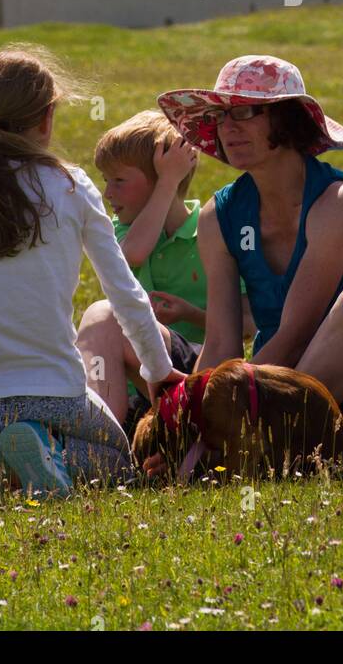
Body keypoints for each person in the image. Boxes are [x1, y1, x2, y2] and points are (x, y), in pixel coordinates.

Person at [0, 43, 179, 505]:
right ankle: (48, 453)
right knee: (118, 460)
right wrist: (159, 371)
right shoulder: (72, 185)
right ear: (46, 119)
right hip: (54, 393)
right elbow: (124, 294)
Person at [157, 55, 343, 451]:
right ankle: (263, 445)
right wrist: (192, 413)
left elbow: (296, 334)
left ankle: (261, 444)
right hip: (277, 389)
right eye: (221, 115)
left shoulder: (336, 202)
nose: (228, 127)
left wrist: (230, 409)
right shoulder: (219, 216)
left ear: (287, 119)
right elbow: (221, 344)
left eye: (245, 111)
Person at [77, 109, 254, 433]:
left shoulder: (213, 232)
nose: (108, 193)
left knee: (103, 314)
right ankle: (102, 434)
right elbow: (133, 253)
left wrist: (192, 314)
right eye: (106, 181)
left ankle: (97, 439)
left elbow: (248, 325)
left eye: (118, 180)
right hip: (134, 388)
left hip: (198, 374)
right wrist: (166, 184)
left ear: (162, 182)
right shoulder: (123, 231)